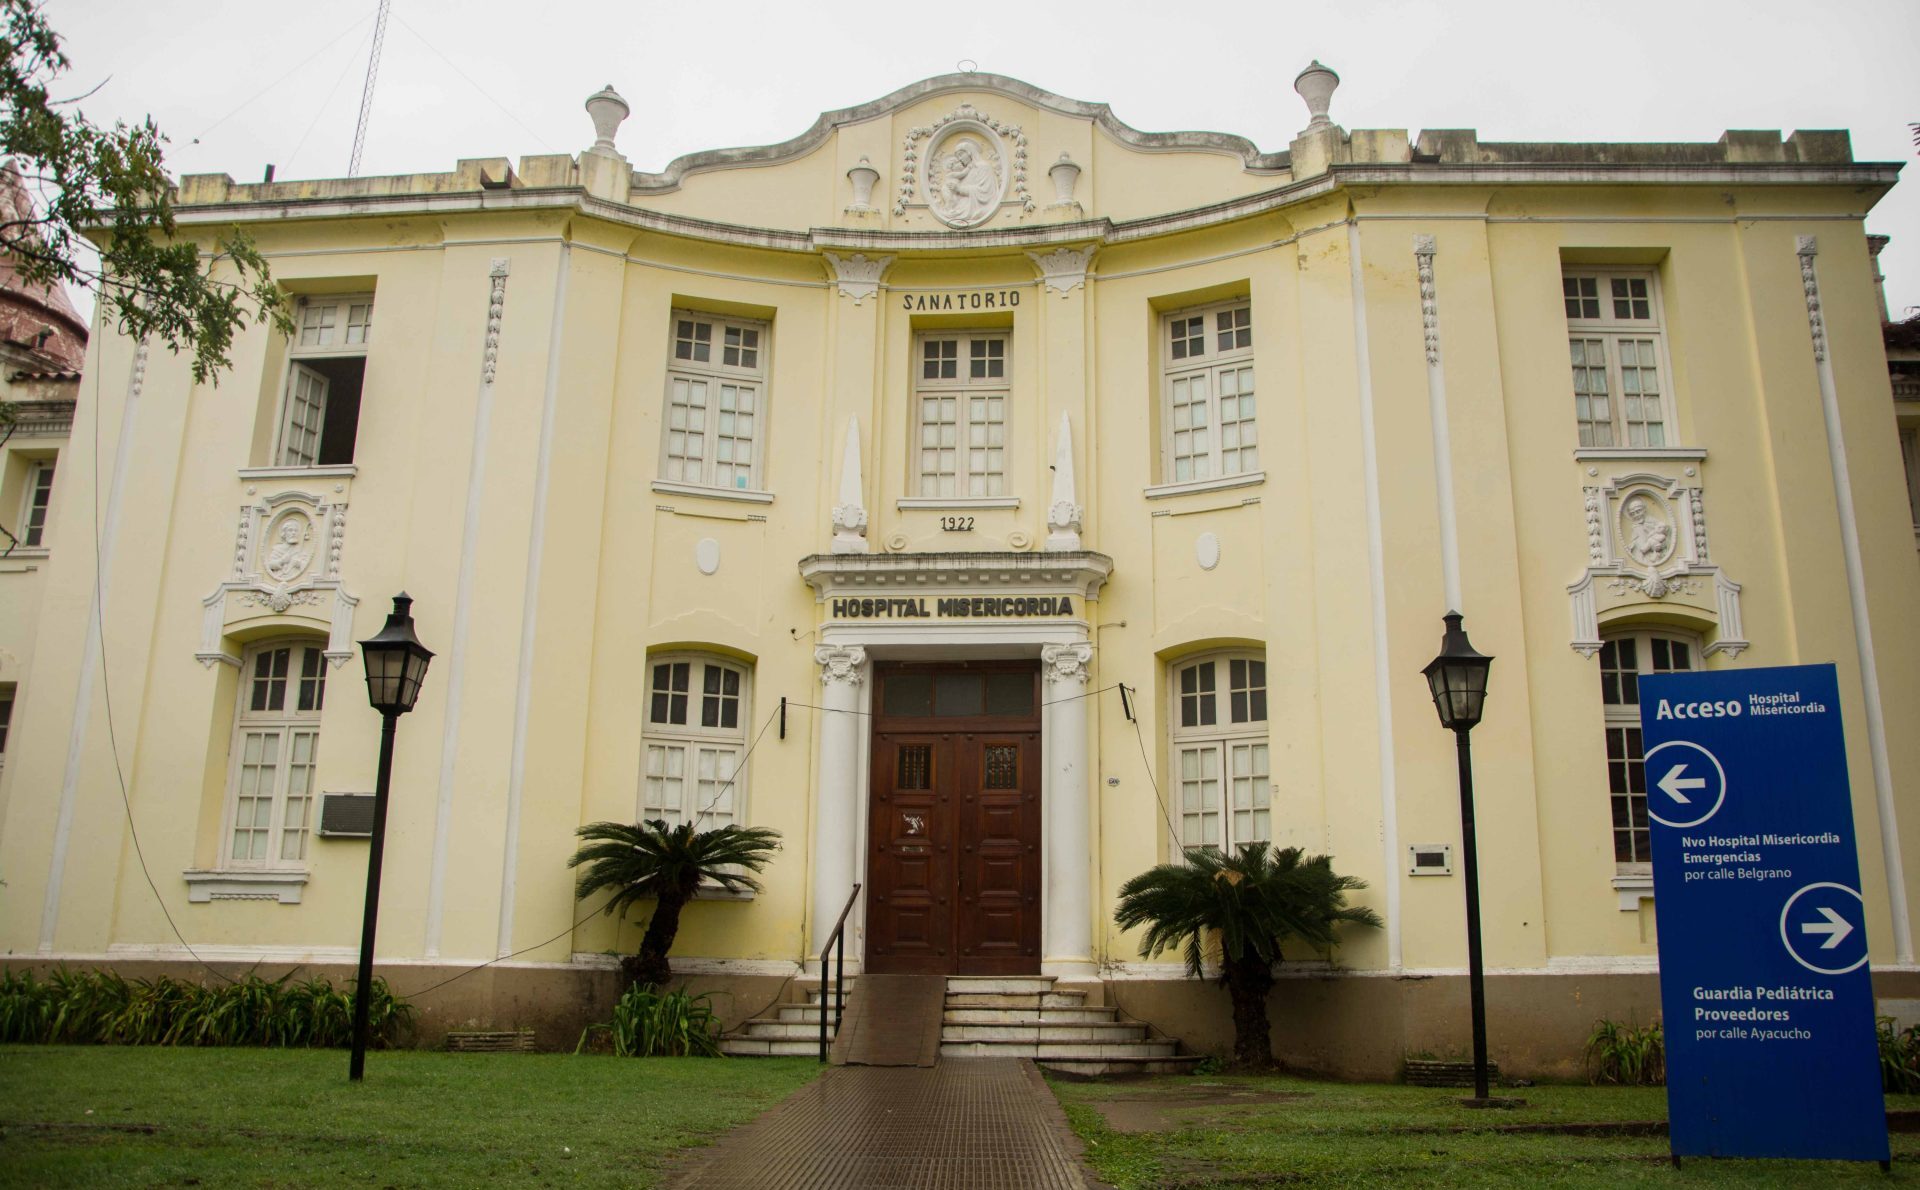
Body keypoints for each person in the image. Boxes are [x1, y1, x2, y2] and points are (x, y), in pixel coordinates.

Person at [937, 138, 1000, 226]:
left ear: (969, 152)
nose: (959, 159)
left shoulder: (983, 167)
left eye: (960, 155)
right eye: (957, 156)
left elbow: (985, 191)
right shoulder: (967, 170)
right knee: (948, 212)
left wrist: (959, 189)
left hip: (973, 207)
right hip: (961, 206)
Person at [1622, 496, 1671, 566]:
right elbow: (1635, 540)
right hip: (1640, 553)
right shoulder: (1635, 527)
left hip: (1654, 550)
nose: (1636, 515)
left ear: (1644, 509)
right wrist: (1631, 546)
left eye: (1638, 511)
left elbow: (1665, 534)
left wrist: (1660, 545)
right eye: (1632, 513)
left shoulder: (1652, 521)